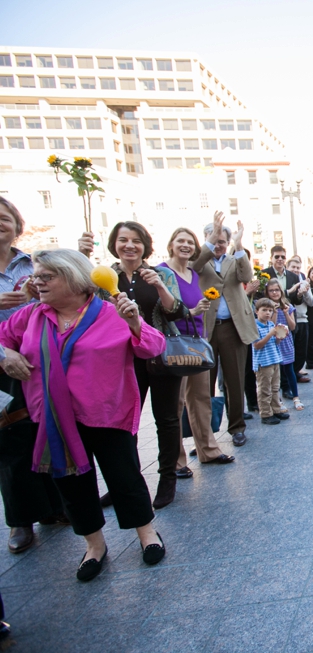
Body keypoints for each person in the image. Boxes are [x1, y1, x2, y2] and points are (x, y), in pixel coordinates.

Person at [0, 249, 167, 581]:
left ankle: (147, 534)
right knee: (71, 483)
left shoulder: (109, 312)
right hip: (53, 418)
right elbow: (2, 339)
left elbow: (153, 347)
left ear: (73, 277)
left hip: (107, 413)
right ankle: (94, 545)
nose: (37, 283)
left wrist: (135, 322)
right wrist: (5, 354)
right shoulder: (31, 316)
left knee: (124, 476)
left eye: (47, 276)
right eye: (37, 276)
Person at [82, 221, 184, 510]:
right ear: (114, 243)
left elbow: (176, 312)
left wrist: (160, 285)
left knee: (167, 419)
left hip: (160, 355)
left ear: (145, 245)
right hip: (121, 358)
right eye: (123, 239)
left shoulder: (162, 273)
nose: (130, 245)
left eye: (136, 240)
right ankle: (124, 483)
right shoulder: (103, 277)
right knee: (124, 423)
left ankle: (167, 479)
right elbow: (90, 311)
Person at [0, 197, 67, 555]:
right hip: (2, 363)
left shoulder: (32, 263)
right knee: (10, 439)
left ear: (16, 223)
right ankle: (20, 519)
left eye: (5, 218)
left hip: (39, 359)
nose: (1, 224)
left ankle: (55, 506)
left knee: (47, 427)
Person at [160, 228, 235, 475]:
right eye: (180, 241)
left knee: (201, 397)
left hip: (197, 342)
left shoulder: (192, 273)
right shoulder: (162, 272)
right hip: (174, 344)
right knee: (176, 402)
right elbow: (161, 309)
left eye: (189, 242)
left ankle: (208, 450)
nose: (185, 245)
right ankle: (177, 461)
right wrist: (188, 312)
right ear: (171, 245)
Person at [193, 212, 258, 447]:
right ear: (207, 239)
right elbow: (196, 265)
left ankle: (237, 427)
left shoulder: (235, 259)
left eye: (223, 241)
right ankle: (205, 435)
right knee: (204, 384)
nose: (219, 245)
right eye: (214, 240)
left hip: (233, 328)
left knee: (234, 380)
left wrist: (238, 245)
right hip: (206, 329)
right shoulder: (199, 260)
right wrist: (211, 238)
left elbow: (247, 276)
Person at [265, 279, 301, 411]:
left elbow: (292, 327)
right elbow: (270, 326)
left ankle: (296, 397)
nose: (274, 293)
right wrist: (274, 311)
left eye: (277, 290)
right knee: (275, 373)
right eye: (271, 290)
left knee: (289, 370)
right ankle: (277, 400)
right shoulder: (266, 307)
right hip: (273, 342)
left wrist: (285, 312)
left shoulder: (288, 306)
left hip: (286, 340)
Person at [252, 298, 289, 425]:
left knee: (275, 387)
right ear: (257, 311)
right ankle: (266, 414)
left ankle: (276, 409)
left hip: (275, 359)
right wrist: (270, 334)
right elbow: (257, 345)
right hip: (263, 362)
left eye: (270, 311)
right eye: (264, 310)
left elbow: (276, 342)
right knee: (264, 389)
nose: (267, 313)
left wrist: (280, 336)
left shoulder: (271, 325)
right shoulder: (255, 326)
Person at [287, 257, 313, 384]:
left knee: (301, 350)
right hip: (288, 320)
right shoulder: (285, 282)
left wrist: (305, 292)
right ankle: (289, 377)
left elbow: (311, 302)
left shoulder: (303, 282)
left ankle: (296, 372)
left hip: (303, 319)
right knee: (289, 350)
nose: (295, 270)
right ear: (288, 268)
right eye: (293, 267)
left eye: (298, 268)